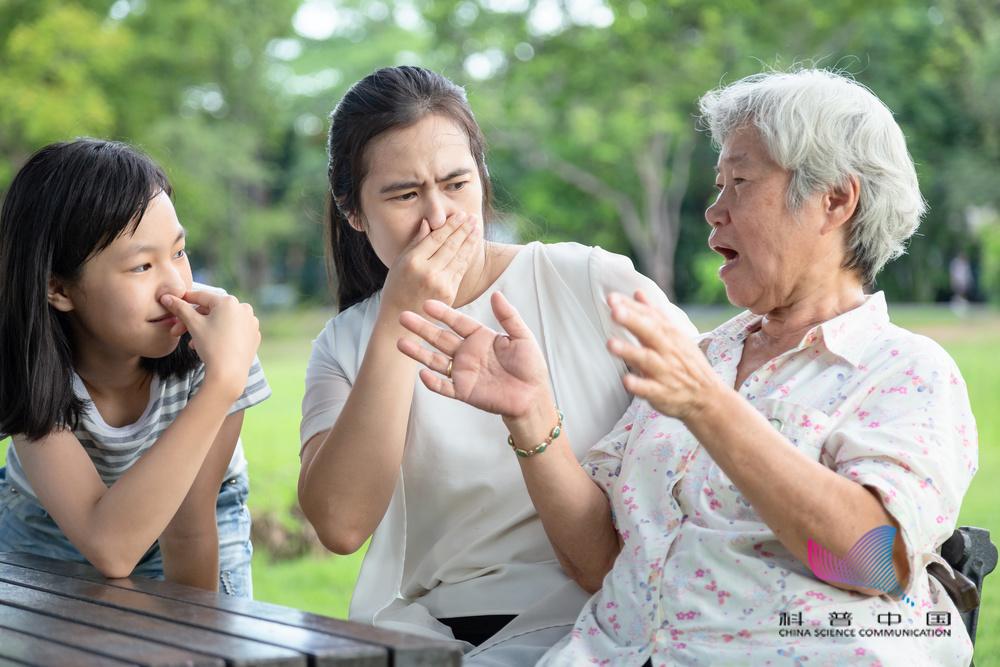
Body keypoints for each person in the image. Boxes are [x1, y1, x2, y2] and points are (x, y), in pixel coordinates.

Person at [397, 68, 978, 666]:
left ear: (834, 199)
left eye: (741, 182)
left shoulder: (904, 370)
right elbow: (599, 565)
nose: (713, 210)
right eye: (718, 183)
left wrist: (710, 407)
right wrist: (530, 415)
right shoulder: (704, 360)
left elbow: (874, 563)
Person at [296, 65, 697, 660]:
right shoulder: (346, 343)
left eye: (456, 184)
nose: (438, 217)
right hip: (441, 632)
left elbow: (710, 425)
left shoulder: (590, 281)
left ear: (482, 178)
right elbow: (341, 525)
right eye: (405, 195)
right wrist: (398, 320)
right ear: (354, 212)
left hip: (603, 617)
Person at [0, 139, 270, 597]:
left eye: (179, 252)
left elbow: (188, 528)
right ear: (57, 288)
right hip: (49, 523)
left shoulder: (216, 344)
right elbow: (110, 546)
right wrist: (224, 383)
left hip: (201, 515)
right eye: (142, 265)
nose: (175, 287)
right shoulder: (24, 359)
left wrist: (221, 380)